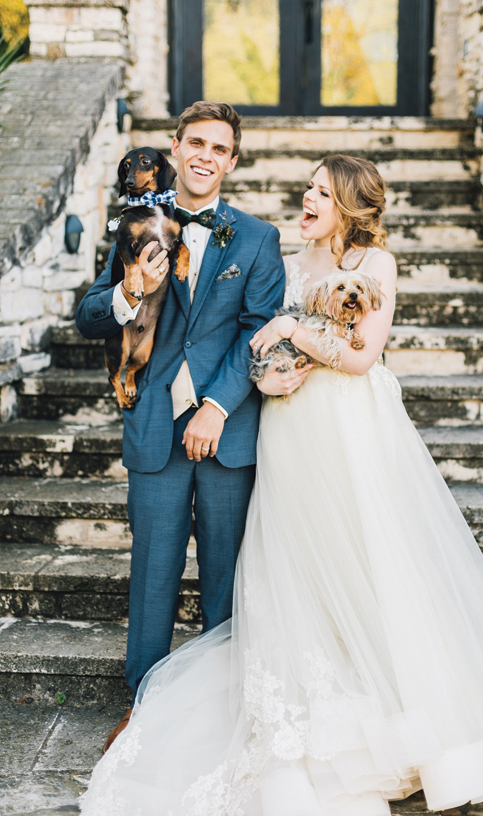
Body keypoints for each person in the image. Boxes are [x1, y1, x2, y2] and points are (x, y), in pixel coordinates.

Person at [79, 154, 483, 816]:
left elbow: (363, 353)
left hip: (351, 429)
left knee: (368, 560)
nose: (306, 199)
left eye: (320, 191)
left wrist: (293, 330)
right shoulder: (290, 257)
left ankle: (406, 722)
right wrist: (263, 372)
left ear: (348, 202)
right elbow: (258, 342)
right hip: (288, 427)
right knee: (294, 567)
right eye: (306, 189)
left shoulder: (377, 265)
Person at [75, 101, 285, 751]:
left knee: (225, 580)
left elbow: (259, 329)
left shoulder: (256, 238)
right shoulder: (138, 225)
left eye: (219, 148)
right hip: (154, 435)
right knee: (153, 575)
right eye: (196, 143)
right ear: (175, 146)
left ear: (232, 159)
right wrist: (129, 291)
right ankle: (143, 712)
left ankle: (220, 716)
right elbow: (88, 316)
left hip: (227, 438)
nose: (205, 156)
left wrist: (218, 406)